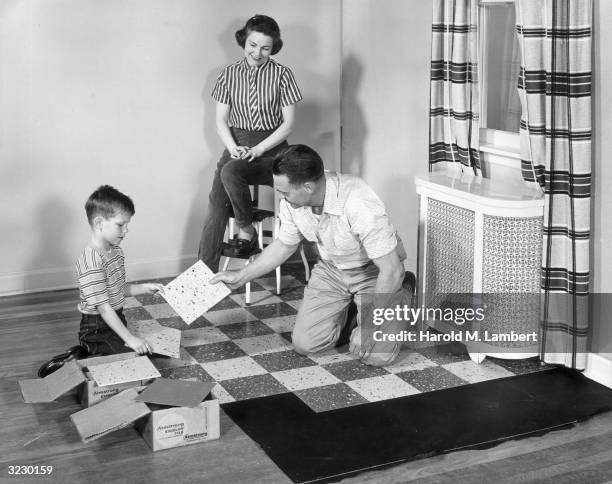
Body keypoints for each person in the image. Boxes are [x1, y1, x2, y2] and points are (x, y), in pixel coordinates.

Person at [211, 145, 414, 366]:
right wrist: (240, 276)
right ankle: (352, 313)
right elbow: (283, 246)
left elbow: (391, 268)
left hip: (373, 271)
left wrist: (370, 326)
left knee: (375, 355)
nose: (280, 196)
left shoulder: (357, 201)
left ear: (307, 187)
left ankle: (402, 291)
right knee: (305, 345)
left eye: (284, 191)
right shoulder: (292, 202)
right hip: (332, 270)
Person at [198, 14, 303, 271]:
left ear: (274, 47)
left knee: (297, 197)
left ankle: (252, 237)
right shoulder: (228, 74)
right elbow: (221, 120)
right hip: (237, 145)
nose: (257, 52)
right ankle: (204, 276)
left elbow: (288, 124)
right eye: (252, 45)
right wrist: (233, 147)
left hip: (274, 152)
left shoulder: (283, 74)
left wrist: (259, 149)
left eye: (265, 47)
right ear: (244, 41)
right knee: (216, 205)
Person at [75, 185, 164, 355]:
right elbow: (103, 308)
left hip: (116, 319)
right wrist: (130, 339)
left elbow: (120, 289)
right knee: (134, 357)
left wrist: (146, 288)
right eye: (120, 225)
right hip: (96, 328)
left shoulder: (115, 251)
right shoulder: (91, 262)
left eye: (127, 224)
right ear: (99, 223)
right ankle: (85, 351)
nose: (126, 230)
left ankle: (113, 345)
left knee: (150, 350)